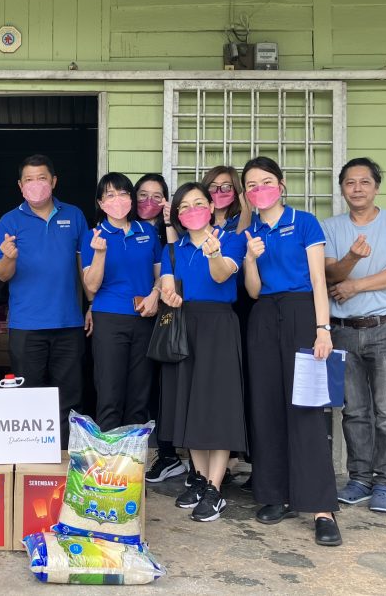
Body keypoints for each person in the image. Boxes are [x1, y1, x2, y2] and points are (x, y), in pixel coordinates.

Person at [242, 156, 341, 547]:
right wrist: (251, 257)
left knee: (306, 409)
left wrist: (323, 329)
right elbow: (252, 290)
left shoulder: (304, 222)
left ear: (281, 185)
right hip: (264, 314)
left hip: (303, 314)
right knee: (266, 407)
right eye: (251, 184)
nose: (258, 189)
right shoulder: (249, 229)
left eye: (266, 181)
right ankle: (274, 494)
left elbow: (319, 279)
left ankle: (321, 508)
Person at [324, 157, 386, 513]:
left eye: (364, 182)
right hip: (344, 331)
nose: (357, 189)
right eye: (350, 183)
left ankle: (385, 483)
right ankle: (360, 479)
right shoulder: (330, 226)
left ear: (376, 186)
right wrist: (351, 258)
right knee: (354, 411)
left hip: (385, 328)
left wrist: (357, 285)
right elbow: (330, 273)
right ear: (343, 189)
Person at [158, 183, 248, 521]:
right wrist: (169, 295)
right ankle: (198, 477)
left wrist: (213, 253)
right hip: (186, 326)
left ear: (211, 206)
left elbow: (224, 273)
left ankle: (215, 487)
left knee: (219, 405)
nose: (192, 210)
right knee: (190, 402)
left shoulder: (232, 239)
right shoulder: (173, 248)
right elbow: (167, 284)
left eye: (199, 203)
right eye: (185, 206)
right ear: (178, 215)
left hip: (220, 326)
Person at [0, 154, 89, 447]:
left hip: (69, 322)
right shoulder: (9, 220)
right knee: (29, 397)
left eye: (42, 178)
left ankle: (65, 461)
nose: (36, 185)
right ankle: (30, 462)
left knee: (69, 397)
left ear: (54, 181)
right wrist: (9, 258)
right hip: (27, 325)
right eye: (29, 180)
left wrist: (92, 307)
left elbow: (86, 268)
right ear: (20, 186)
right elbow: (2, 274)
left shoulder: (74, 216)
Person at [80, 172, 162, 431]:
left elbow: (161, 276)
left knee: (139, 394)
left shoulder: (147, 231)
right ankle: (109, 465)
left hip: (144, 318)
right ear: (100, 203)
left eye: (124, 193)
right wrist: (100, 253)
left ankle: (134, 465)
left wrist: (155, 295)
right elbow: (91, 285)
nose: (118, 199)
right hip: (109, 319)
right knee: (110, 394)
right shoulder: (93, 235)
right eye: (110, 195)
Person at [201, 165, 255, 491]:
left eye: (227, 187)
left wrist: (247, 201)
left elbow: (241, 241)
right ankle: (217, 463)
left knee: (244, 382)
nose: (219, 193)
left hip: (241, 307)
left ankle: (243, 458)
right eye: (213, 187)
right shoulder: (200, 221)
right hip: (206, 310)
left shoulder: (240, 222)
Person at [133, 173, 188, 484]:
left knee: (165, 388)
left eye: (156, 196)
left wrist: (156, 293)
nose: (148, 202)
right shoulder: (123, 227)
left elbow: (175, 267)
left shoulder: (174, 232)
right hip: (134, 318)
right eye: (142, 194)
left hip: (169, 318)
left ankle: (168, 454)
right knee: (142, 389)